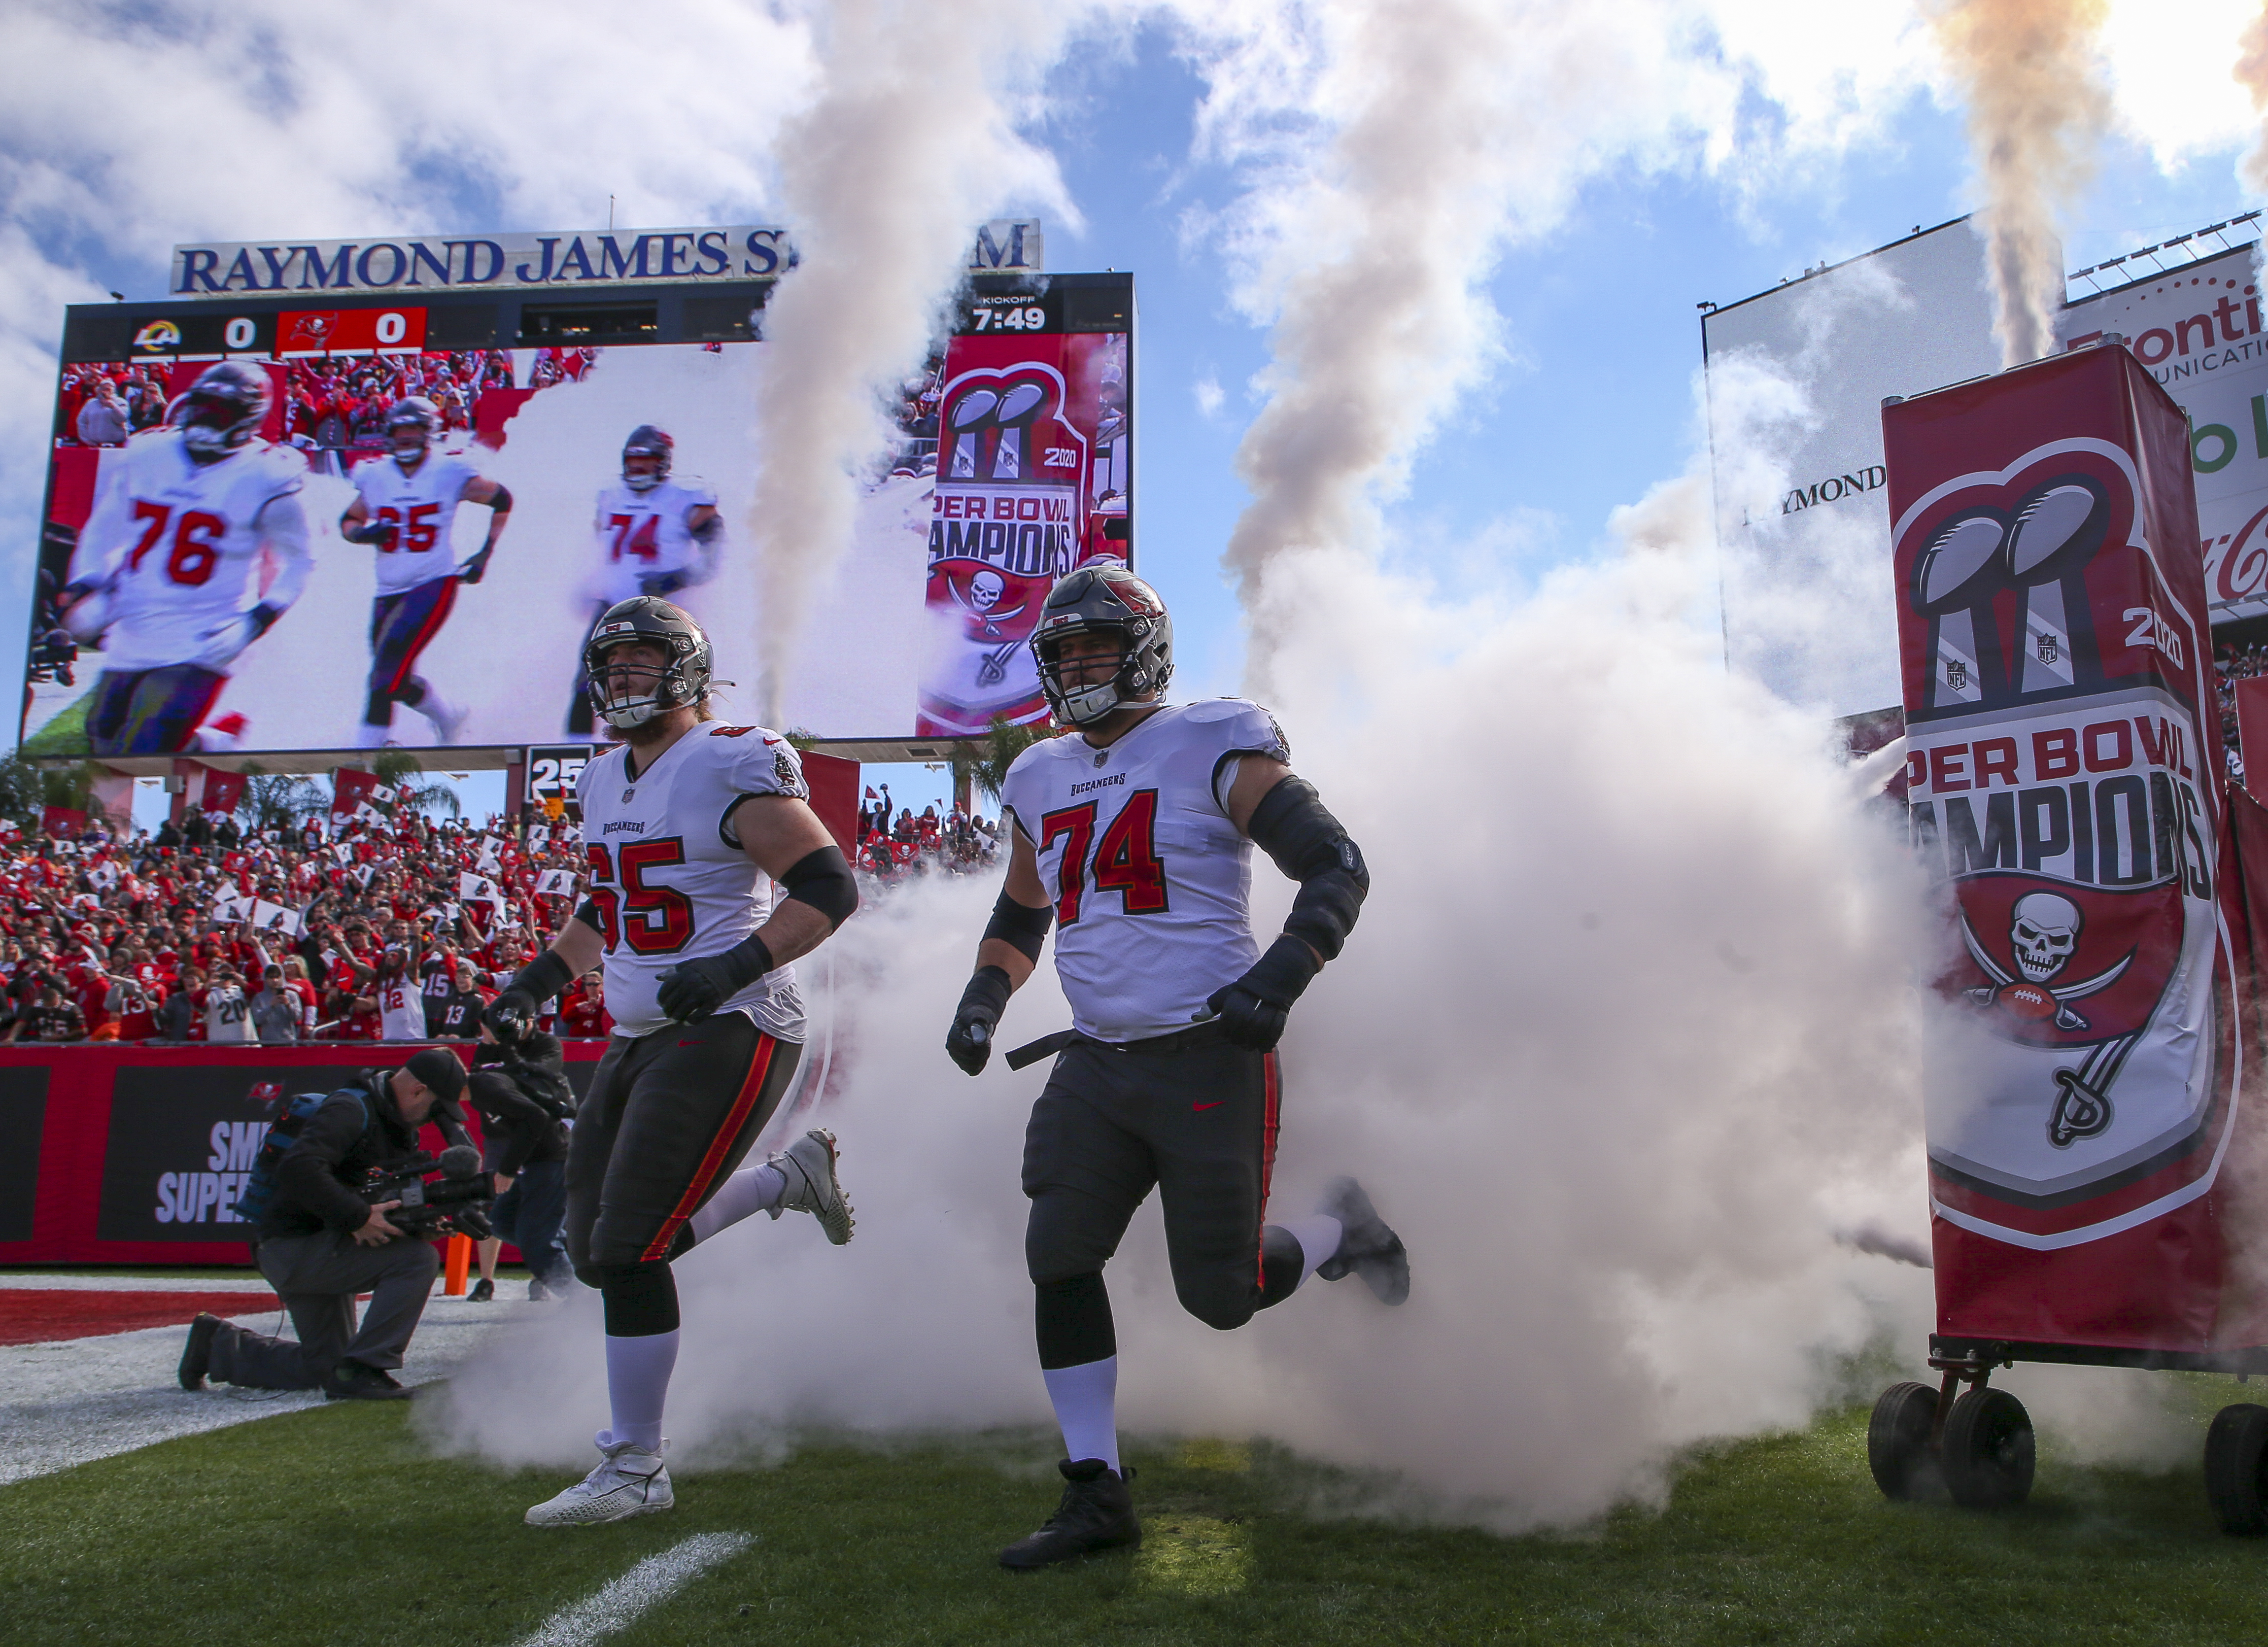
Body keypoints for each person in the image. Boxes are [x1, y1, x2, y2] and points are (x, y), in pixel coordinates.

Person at [943, 565, 1407, 1570]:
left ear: (1144, 647)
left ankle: (1344, 1229)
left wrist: (1280, 978)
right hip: (1097, 1063)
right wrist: (986, 996)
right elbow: (1027, 908)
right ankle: (1094, 1490)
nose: (1078, 666)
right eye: (1063, 652)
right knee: (1059, 1253)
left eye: (1096, 646)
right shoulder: (1037, 774)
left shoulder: (1211, 742)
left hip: (1208, 1053)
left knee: (1222, 1296)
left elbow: (1336, 864)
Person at [491, 597, 860, 1526]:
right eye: (611, 667)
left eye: (641, 664)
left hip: (735, 1018)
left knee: (627, 1245)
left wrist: (737, 961)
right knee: (596, 1248)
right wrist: (537, 982)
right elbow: (609, 904)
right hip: (640, 1031)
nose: (623, 681)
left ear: (687, 670)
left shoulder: (731, 757)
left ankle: (637, 1466)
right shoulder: (602, 778)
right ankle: (786, 1183)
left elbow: (828, 884)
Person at [177, 1049, 472, 1400]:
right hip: (293, 1246)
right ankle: (368, 1368)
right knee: (417, 1261)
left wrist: (418, 1224)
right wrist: (358, 1218)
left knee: (331, 1369)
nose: (432, 1121)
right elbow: (298, 1168)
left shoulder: (395, 1127)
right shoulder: (351, 1109)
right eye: (436, 1109)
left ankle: (215, 1344)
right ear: (418, 1091)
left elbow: (373, 1196)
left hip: (317, 1245)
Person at [58, 362, 313, 756]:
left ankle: (212, 736)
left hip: (205, 633)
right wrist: (87, 584)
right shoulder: (150, 451)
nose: (206, 417)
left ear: (250, 418)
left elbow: (298, 561)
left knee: (142, 748)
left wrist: (254, 623)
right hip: (135, 623)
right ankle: (216, 740)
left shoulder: (266, 473)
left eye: (220, 410)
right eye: (203, 405)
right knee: (103, 737)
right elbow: (103, 527)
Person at [336, 396, 511, 747]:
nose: (406, 438)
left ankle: (365, 756)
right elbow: (349, 520)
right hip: (387, 590)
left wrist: (484, 554)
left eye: (414, 430)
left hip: (433, 583)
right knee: (393, 680)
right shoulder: (376, 475)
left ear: (428, 433)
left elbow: (502, 500)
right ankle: (449, 715)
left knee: (383, 677)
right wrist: (363, 534)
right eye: (400, 431)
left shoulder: (449, 471)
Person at [564, 430, 723, 735]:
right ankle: (572, 750)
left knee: (670, 683)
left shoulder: (685, 496)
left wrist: (673, 579)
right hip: (615, 605)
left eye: (646, 463)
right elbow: (610, 551)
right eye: (633, 462)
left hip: (663, 613)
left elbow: (713, 556)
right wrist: (598, 586)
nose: (638, 470)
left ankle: (688, 742)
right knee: (588, 678)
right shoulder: (611, 495)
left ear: (663, 463)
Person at [464, 1027, 575, 1301]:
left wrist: (505, 1046)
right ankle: (564, 1260)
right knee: (500, 1222)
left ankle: (581, 1299)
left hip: (547, 1145)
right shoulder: (486, 1060)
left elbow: (533, 1088)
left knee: (539, 1237)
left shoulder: (544, 1044)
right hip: (514, 1141)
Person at [251, 965, 301, 1044]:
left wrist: (288, 1005)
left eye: (277, 977)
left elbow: (298, 1018)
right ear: (266, 979)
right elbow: (257, 1020)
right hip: (268, 1042)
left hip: (289, 1041)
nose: (275, 980)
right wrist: (271, 1007)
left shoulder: (292, 995)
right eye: (271, 977)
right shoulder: (259, 997)